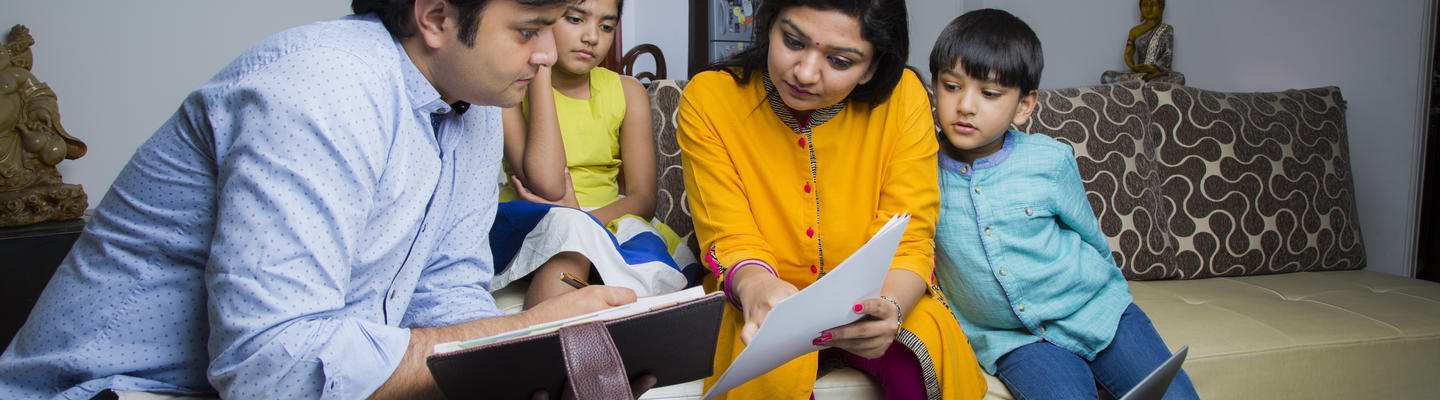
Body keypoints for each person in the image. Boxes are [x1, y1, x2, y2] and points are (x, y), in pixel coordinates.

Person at [0, 1, 654, 399]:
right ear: (436, 17)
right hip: (114, 391)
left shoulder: (474, 103)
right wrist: (520, 332)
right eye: (528, 30)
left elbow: (443, 299)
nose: (548, 55)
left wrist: (526, 367)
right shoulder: (322, 89)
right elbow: (273, 372)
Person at [678, 0, 987, 398]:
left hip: (880, 292)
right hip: (760, 299)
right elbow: (729, 235)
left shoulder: (903, 97)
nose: (805, 73)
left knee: (921, 355)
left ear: (872, 68)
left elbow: (910, 237)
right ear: (768, 25)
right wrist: (757, 291)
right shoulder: (709, 99)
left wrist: (888, 308)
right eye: (792, 41)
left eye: (840, 61)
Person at [929, 9, 1199, 400]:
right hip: (1013, 341)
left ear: (1024, 106)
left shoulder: (1050, 160)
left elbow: (1090, 237)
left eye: (989, 93)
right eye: (951, 86)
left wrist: (1112, 299)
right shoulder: (919, 167)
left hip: (1095, 310)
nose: (966, 105)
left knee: (1174, 395)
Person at [492, 0, 696, 309]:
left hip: (606, 221)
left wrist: (585, 221)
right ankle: (542, 347)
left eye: (606, 26)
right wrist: (540, 73)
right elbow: (545, 184)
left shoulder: (627, 91)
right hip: (529, 216)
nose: (591, 37)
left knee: (578, 235)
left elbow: (643, 198)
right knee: (569, 236)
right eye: (575, 19)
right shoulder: (510, 89)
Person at [1100, 0, 1185, 84]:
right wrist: (1133, 67)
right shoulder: (1134, 31)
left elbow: (1167, 54)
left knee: (1179, 78)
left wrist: (1154, 68)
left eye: (1153, 4)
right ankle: (1145, 81)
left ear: (1161, 7)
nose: (1149, 8)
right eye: (1145, 5)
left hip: (1158, 72)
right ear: (1140, 8)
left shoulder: (1167, 29)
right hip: (1139, 71)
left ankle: (1140, 82)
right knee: (1107, 76)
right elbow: (1128, 54)